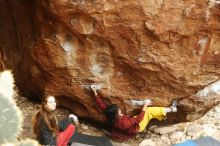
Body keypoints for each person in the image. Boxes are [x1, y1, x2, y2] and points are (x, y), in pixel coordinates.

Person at [91, 85, 177, 140]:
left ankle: (162, 116)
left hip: (129, 124)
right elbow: (139, 120)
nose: (119, 109)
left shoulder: (109, 115)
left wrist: (95, 92)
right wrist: (145, 105)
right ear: (117, 112)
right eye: (118, 109)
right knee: (148, 111)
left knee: (141, 114)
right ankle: (171, 109)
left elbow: (101, 105)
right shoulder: (124, 122)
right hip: (138, 127)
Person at [32, 95, 114, 146]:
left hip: (44, 140)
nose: (54, 103)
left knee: (68, 126)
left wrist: (68, 119)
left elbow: (54, 126)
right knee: (71, 127)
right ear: (45, 105)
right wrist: (71, 119)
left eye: (54, 101)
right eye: (50, 102)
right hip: (51, 144)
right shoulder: (49, 117)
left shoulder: (41, 113)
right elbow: (58, 126)